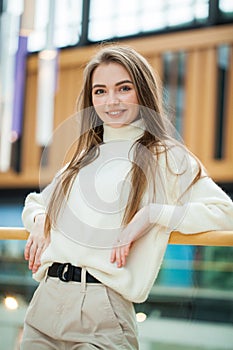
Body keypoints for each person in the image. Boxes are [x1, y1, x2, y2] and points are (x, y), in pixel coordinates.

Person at [20, 44, 233, 350]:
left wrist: (151, 215)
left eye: (123, 88)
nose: (111, 101)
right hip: (45, 302)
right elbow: (35, 202)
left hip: (103, 308)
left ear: (142, 92)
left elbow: (225, 212)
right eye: (100, 91)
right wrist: (40, 222)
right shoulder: (84, 158)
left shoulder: (166, 155)